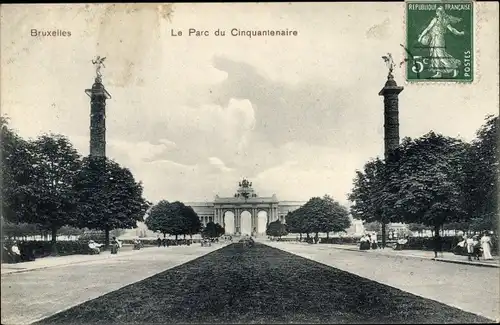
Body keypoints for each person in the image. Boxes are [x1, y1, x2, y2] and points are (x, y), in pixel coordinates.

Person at [417, 6, 465, 78]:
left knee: (440, 55)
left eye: (440, 12)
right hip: (434, 39)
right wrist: (421, 36)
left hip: (439, 39)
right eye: (438, 12)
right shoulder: (436, 20)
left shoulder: (444, 21)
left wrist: (459, 33)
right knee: (434, 55)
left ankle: (454, 67)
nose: (438, 13)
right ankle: (438, 73)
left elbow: (452, 29)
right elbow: (428, 29)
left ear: (442, 13)